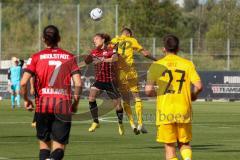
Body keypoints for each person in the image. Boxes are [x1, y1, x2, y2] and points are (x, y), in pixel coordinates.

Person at [20, 25, 82, 160]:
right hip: (63, 106)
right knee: (59, 147)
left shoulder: (36, 57)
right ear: (59, 38)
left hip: (43, 106)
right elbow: (78, 83)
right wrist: (75, 104)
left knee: (44, 147)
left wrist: (26, 100)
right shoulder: (69, 57)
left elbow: (23, 82)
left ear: (43, 39)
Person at [145, 35, 203, 160]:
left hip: (165, 111)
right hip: (183, 109)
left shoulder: (156, 65)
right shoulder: (187, 64)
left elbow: (148, 91)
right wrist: (193, 95)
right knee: (184, 143)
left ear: (163, 49)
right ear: (178, 48)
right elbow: (199, 86)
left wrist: (158, 93)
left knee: (170, 146)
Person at [111, 27, 157, 134]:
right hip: (130, 71)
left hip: (119, 73)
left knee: (126, 99)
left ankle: (132, 124)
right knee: (136, 97)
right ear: (129, 34)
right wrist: (157, 60)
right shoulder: (131, 40)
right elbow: (145, 53)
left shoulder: (113, 41)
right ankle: (140, 123)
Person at [80, 33, 124, 135]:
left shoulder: (111, 50)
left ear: (103, 40)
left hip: (110, 82)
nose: (94, 41)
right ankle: (95, 122)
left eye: (96, 39)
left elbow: (115, 58)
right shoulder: (94, 52)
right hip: (99, 81)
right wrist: (73, 67)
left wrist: (102, 59)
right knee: (91, 97)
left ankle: (120, 123)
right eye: (93, 39)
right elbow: (85, 62)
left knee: (118, 106)